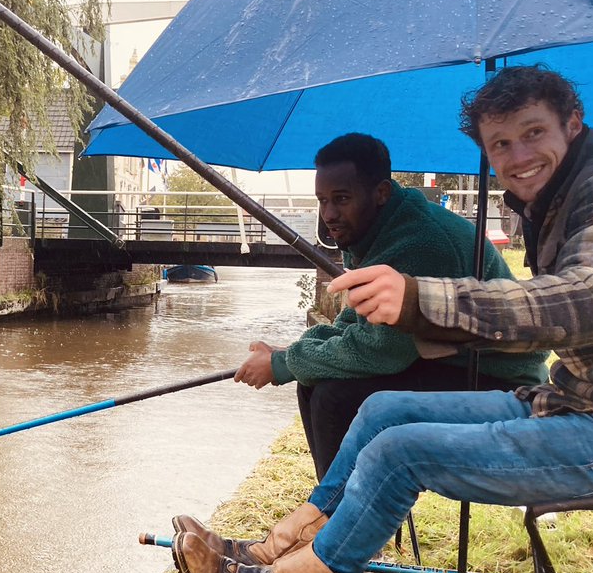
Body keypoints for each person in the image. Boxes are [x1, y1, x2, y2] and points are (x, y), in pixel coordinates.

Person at [171, 65, 593, 573]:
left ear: (573, 124)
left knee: (400, 450)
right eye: (500, 144)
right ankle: (274, 550)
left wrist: (419, 299)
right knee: (384, 409)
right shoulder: (555, 197)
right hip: (573, 402)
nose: (517, 157)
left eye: (533, 133)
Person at [231, 133, 547, 483]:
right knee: (313, 385)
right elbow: (354, 323)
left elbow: (381, 351)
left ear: (380, 193)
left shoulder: (420, 242)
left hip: (498, 379)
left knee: (334, 397)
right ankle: (336, 509)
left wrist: (282, 364)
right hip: (443, 358)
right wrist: (291, 354)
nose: (329, 214)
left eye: (341, 199)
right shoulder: (380, 232)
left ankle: (340, 520)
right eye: (322, 200)